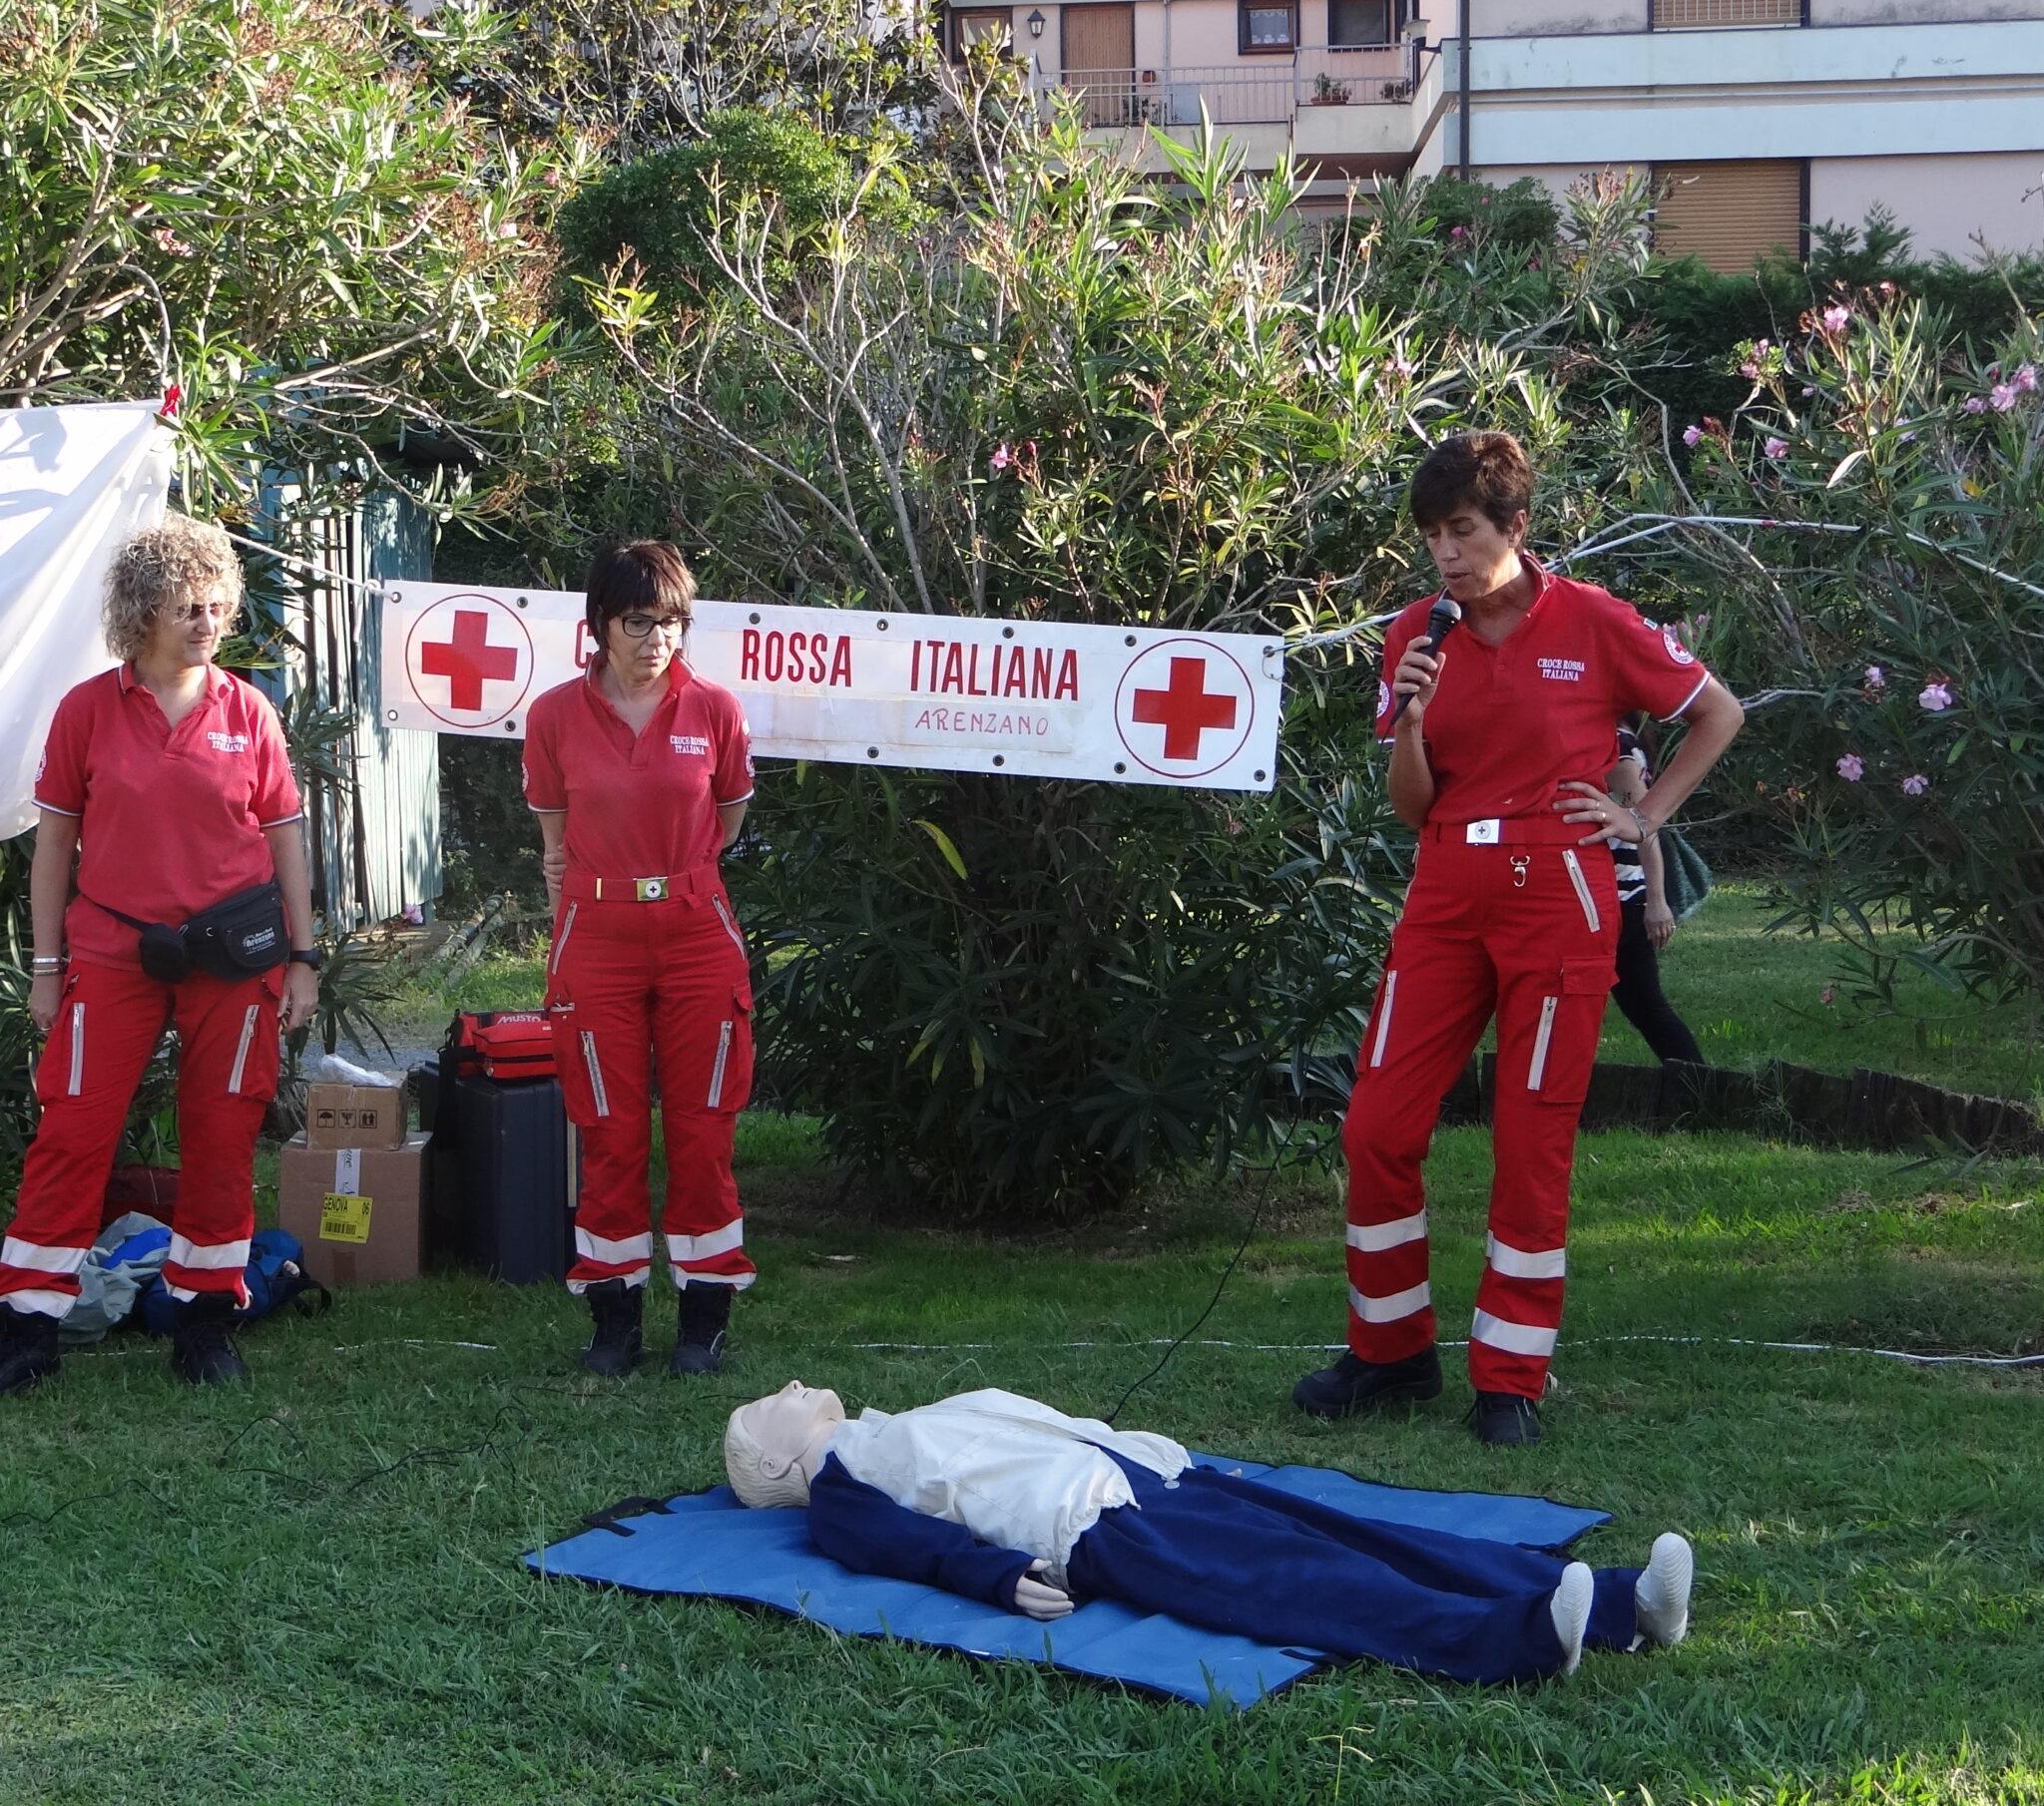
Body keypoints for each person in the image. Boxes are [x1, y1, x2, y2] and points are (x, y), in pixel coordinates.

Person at [1292, 433, 1744, 1446]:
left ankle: (1509, 1377)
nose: (1444, 554)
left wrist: (1644, 815)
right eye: (1431, 536)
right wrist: (1408, 720)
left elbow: (1718, 710)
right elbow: (1412, 808)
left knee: (1529, 1140)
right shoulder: (1417, 632)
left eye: (1462, 531)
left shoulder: (1589, 621)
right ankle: (1390, 1353)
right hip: (1446, 884)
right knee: (1376, 1124)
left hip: (1560, 894)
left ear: (1514, 527)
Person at [0, 511, 319, 1405]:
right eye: (190, 605)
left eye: (219, 604)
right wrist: (45, 966)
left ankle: (205, 1321)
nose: (209, 620)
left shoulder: (249, 710)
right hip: (111, 953)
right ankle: (26, 1330)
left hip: (234, 956)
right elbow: (53, 850)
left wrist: (304, 956)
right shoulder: (86, 711)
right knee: (72, 1133)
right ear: (142, 611)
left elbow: (289, 841)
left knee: (224, 1136)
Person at [724, 1382, 1696, 1685]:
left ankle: (1618, 1603)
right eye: (772, 1402)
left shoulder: (887, 1430)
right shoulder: (841, 1475)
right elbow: (890, 1547)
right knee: (1313, 1584)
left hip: (1147, 1482)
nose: (794, 1386)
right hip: (1097, 1530)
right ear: (774, 1465)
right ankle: (1519, 1641)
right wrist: (990, 1576)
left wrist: (1165, 1457)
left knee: (1364, 1537)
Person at [525, 541, 757, 1377]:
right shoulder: (552, 717)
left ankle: (704, 1317)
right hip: (597, 937)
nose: (658, 640)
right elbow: (556, 840)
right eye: (638, 622)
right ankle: (614, 1317)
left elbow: (723, 825)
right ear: (598, 625)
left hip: (697, 931)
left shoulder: (715, 710)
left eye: (672, 623)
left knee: (701, 1129)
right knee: (609, 1131)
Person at [1606, 719, 1706, 1088]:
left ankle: (1698, 1089)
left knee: (1646, 1006)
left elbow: (1644, 826)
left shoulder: (1616, 746)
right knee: (1645, 1006)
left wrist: (1657, 902)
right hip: (1619, 896)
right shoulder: (1623, 738)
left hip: (1621, 898)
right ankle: (1698, 1088)